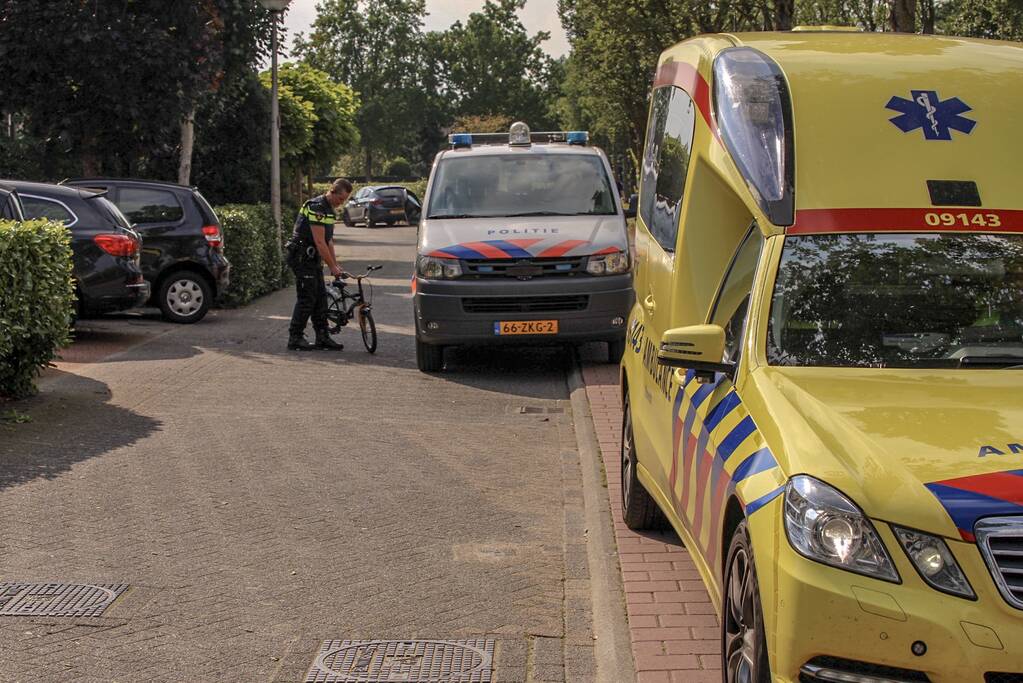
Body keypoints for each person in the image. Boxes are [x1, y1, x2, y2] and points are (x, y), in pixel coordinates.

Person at [285, 178, 352, 351]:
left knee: (321, 297)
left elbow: (328, 241)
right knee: (307, 298)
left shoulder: (329, 210)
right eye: (340, 199)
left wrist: (335, 265)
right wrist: (332, 267)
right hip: (301, 257)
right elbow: (319, 241)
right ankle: (295, 337)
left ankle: (322, 336)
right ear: (332, 192)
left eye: (344, 200)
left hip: (312, 258)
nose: (341, 203)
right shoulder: (316, 207)